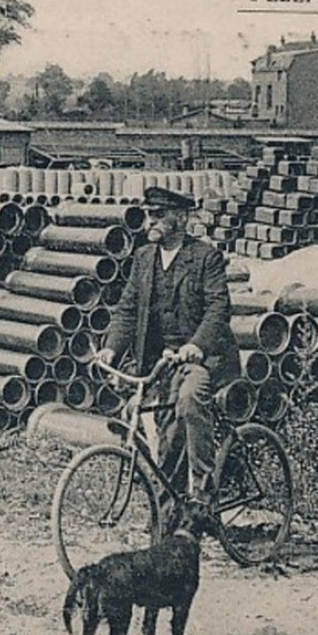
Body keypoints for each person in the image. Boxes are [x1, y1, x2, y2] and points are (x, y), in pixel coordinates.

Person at [98, 185, 240, 499]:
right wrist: (112, 347)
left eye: (158, 215)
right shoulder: (143, 257)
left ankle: (203, 484)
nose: (150, 222)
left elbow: (219, 308)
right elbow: (128, 308)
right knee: (156, 428)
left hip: (202, 359)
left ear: (181, 217)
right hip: (160, 363)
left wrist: (196, 345)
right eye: (149, 215)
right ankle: (167, 514)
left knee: (189, 399)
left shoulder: (205, 257)